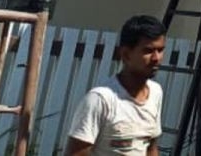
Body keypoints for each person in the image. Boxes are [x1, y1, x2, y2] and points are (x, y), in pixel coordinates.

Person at [65, 14, 166, 156]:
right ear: (126, 54)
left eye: (160, 50)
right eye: (148, 51)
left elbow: (151, 147)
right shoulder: (101, 99)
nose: (156, 58)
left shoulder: (155, 92)